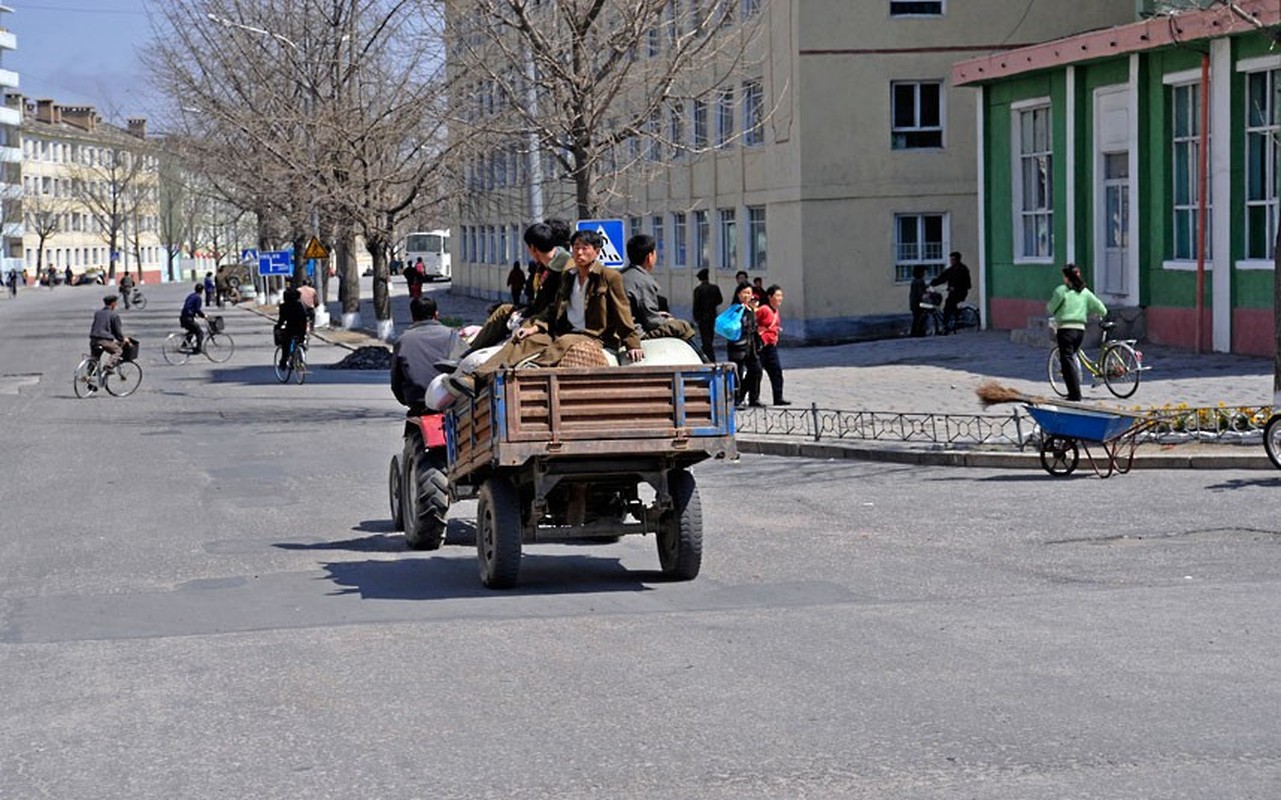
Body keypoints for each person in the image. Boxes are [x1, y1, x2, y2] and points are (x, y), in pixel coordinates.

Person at [459, 228, 643, 394]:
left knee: (564, 342)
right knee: (522, 341)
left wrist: (632, 343)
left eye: (585, 248)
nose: (579, 252)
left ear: (597, 251)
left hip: (594, 334)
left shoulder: (609, 277)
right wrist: (535, 327)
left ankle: (532, 369)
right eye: (576, 247)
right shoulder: (568, 275)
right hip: (563, 328)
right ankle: (477, 378)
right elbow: (555, 307)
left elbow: (622, 310)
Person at [458, 220, 572, 355]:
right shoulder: (540, 266)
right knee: (504, 310)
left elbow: (555, 305)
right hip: (536, 310)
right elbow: (531, 293)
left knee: (521, 332)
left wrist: (532, 321)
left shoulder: (564, 268)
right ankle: (472, 349)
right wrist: (523, 310)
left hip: (548, 319)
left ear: (533, 248)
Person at [1047, 263, 1108, 402]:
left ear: (1067, 277)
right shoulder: (1085, 292)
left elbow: (1051, 308)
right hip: (1080, 330)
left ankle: (1074, 394)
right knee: (1071, 358)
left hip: (1065, 329)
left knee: (1067, 361)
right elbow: (1102, 309)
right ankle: (1074, 389)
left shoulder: (1061, 291)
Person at [620, 233, 696, 343]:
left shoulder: (622, 275)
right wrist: (666, 320)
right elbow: (651, 321)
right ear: (649, 257)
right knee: (681, 326)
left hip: (623, 328)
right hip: (637, 334)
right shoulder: (642, 280)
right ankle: (702, 358)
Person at [392, 296, 459, 415]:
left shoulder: (402, 340)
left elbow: (396, 380)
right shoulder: (451, 335)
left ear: (412, 317)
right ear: (436, 315)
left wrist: (407, 400)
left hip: (416, 401)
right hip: (447, 400)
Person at [726, 282, 763, 408]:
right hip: (737, 346)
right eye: (744, 293)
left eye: (749, 293)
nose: (747, 295)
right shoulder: (735, 309)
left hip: (750, 347)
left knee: (756, 370)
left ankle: (753, 398)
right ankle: (737, 399)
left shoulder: (749, 309)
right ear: (738, 294)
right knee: (738, 373)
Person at [756, 284, 789, 405]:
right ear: (770, 297)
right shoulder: (764, 309)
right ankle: (747, 398)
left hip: (771, 346)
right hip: (761, 346)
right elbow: (754, 322)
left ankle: (778, 397)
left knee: (776, 371)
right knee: (755, 373)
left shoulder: (775, 311)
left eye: (781, 295)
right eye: (777, 295)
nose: (780, 298)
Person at [929, 251, 972, 334]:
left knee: (948, 306)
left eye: (953, 260)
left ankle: (946, 327)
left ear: (958, 260)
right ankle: (952, 321)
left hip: (961, 292)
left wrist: (955, 287)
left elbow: (967, 284)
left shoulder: (963, 269)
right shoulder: (951, 270)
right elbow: (942, 277)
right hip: (953, 292)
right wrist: (932, 283)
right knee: (951, 305)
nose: (951, 262)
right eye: (951, 260)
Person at [88, 295, 131, 375]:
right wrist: (123, 339)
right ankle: (108, 366)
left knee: (95, 358)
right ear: (113, 304)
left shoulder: (98, 313)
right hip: (104, 341)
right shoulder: (114, 315)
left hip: (93, 340)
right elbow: (117, 332)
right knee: (118, 351)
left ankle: (89, 375)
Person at [274, 287, 311, 371]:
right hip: (301, 329)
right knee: (300, 341)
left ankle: (283, 362)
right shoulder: (300, 305)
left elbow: (282, 319)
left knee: (285, 345)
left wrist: (278, 326)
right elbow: (304, 318)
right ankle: (300, 355)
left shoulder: (284, 306)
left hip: (290, 329)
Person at [691, 268, 723, 362]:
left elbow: (696, 305)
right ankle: (707, 354)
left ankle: (709, 356)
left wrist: (696, 317)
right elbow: (720, 300)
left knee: (705, 338)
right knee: (710, 336)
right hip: (712, 316)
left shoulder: (698, 290)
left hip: (702, 317)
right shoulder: (714, 288)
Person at [180, 283, 207, 353]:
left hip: (183, 317)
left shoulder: (191, 295)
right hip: (188, 318)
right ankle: (198, 349)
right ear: (202, 290)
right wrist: (204, 316)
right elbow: (197, 310)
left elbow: (190, 307)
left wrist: (194, 314)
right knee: (200, 332)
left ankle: (185, 343)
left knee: (193, 330)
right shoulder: (198, 298)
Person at [908, 264, 929, 337]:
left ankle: (914, 333)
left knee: (916, 319)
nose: (924, 274)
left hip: (914, 303)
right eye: (923, 272)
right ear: (920, 272)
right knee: (920, 318)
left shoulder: (914, 281)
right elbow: (921, 294)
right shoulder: (920, 281)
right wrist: (927, 296)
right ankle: (919, 333)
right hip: (919, 304)